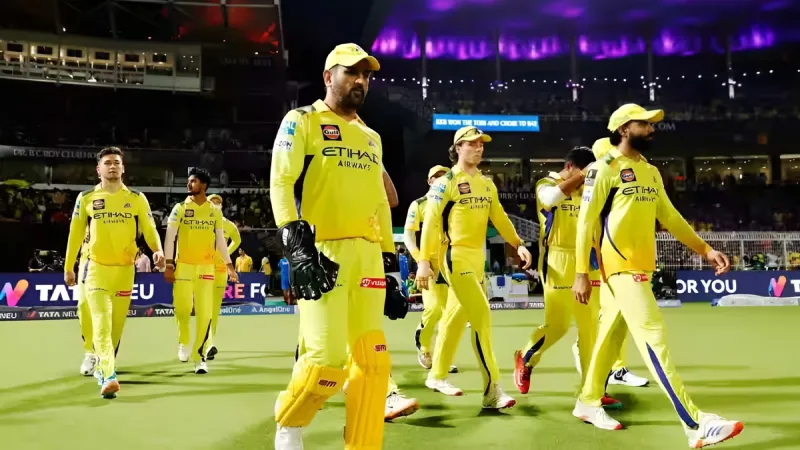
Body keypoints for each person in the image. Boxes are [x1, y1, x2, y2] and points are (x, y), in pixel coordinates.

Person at [571, 104, 743, 447]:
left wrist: (705, 250)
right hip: (620, 267)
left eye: (652, 124)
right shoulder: (602, 169)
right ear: (623, 129)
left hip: (640, 266)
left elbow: (670, 216)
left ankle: (588, 401)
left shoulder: (649, 171)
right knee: (654, 339)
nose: (651, 129)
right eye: (644, 124)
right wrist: (580, 273)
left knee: (609, 336)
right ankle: (695, 424)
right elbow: (585, 223)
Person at [269, 43, 394, 449]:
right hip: (323, 254)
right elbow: (281, 181)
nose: (360, 80)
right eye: (351, 72)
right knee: (327, 360)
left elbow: (380, 201)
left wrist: (389, 262)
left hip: (369, 258)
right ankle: (289, 423)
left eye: (366, 75)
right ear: (328, 77)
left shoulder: (372, 137)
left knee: (373, 361)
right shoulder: (302, 120)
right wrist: (296, 244)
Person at [416, 126, 532, 407]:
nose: (478, 148)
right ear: (458, 148)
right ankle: (492, 390)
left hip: (477, 259)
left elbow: (500, 217)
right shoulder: (445, 183)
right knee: (481, 316)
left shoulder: (487, 183)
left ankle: (436, 375)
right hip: (455, 257)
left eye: (481, 144)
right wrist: (424, 261)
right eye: (472, 143)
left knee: (455, 318)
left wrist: (518, 243)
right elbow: (430, 223)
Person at [513, 146, 625, 407]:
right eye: (585, 173)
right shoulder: (547, 183)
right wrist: (584, 175)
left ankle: (591, 390)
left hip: (588, 260)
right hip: (557, 260)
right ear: (571, 167)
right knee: (559, 325)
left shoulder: (590, 189)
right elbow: (550, 199)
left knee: (590, 328)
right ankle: (526, 358)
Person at [64, 147, 164, 398]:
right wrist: (68, 267)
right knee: (100, 320)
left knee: (116, 326)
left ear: (123, 168)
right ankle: (108, 374)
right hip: (95, 267)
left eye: (116, 163)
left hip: (125, 270)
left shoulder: (137, 198)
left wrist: (158, 250)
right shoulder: (86, 198)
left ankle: (101, 363)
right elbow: (75, 234)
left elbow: (149, 228)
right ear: (98, 169)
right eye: (107, 163)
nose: (112, 166)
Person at [569, 138, 650, 389]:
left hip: (619, 255)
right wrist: (581, 272)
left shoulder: (628, 174)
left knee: (618, 315)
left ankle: (612, 370)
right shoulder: (601, 175)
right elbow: (585, 226)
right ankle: (598, 373)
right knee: (611, 315)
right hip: (604, 255)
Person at [164, 168, 239, 374]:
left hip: (207, 268)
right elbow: (170, 237)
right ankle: (184, 341)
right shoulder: (179, 208)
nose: (189, 184)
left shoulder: (214, 211)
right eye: (189, 181)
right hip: (183, 267)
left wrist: (229, 266)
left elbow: (221, 240)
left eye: (193, 181)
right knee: (183, 310)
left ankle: (199, 357)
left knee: (205, 313)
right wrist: (169, 264)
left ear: (204, 185)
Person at [404, 165, 462, 373]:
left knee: (450, 314)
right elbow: (409, 236)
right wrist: (422, 261)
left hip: (450, 264)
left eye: (444, 176)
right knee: (433, 309)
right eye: (436, 177)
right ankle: (424, 348)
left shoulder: (454, 204)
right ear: (429, 181)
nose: (441, 179)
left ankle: (442, 357)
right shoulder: (419, 204)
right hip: (428, 266)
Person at [206, 194, 242, 361]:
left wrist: (226, 253)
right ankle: (200, 342)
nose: (216, 204)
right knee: (204, 309)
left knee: (214, 310)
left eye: (218, 202)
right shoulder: (201, 222)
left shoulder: (227, 225)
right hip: (203, 270)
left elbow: (237, 240)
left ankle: (209, 344)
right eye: (213, 202)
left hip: (220, 271)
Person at [77, 228, 96, 376]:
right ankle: (90, 354)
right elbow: (75, 235)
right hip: (87, 262)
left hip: (114, 263)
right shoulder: (83, 214)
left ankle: (106, 355)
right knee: (83, 305)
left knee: (109, 311)